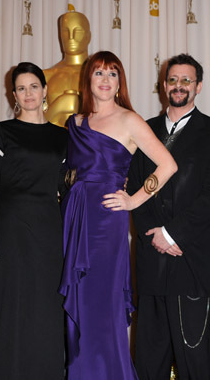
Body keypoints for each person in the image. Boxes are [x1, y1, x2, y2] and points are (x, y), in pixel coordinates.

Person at [59, 51, 178, 379]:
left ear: (119, 82)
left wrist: (134, 200)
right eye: (99, 73)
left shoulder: (130, 120)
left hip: (106, 222)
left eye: (113, 74)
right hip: (74, 215)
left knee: (101, 303)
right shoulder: (76, 123)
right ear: (88, 80)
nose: (106, 80)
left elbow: (167, 165)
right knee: (79, 300)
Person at [128, 53, 210, 379]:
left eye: (186, 80)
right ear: (163, 85)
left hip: (191, 260)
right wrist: (152, 233)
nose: (179, 86)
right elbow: (134, 190)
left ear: (198, 86)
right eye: (173, 80)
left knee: (193, 362)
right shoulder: (143, 129)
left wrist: (171, 234)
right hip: (150, 263)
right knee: (148, 362)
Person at [0, 62, 67, 380]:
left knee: (45, 310)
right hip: (11, 230)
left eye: (33, 86)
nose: (28, 93)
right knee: (10, 310)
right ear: (13, 94)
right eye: (21, 88)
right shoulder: (2, 132)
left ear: (45, 90)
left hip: (49, 233)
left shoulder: (63, 137)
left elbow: (68, 189)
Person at [43, 11, 91, 127]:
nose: (71, 37)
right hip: (53, 143)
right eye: (65, 31)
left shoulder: (103, 76)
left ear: (88, 36)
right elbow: (35, 125)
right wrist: (59, 106)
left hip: (91, 143)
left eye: (78, 31)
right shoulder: (45, 76)